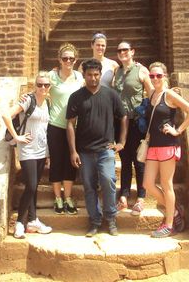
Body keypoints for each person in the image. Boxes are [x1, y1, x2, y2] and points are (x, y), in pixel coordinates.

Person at [66, 58, 127, 237]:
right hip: (84, 151)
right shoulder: (76, 96)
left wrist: (121, 142)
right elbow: (70, 124)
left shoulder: (111, 95)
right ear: (83, 76)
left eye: (96, 75)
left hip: (105, 149)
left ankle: (111, 218)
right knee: (89, 186)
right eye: (89, 75)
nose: (93, 78)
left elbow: (123, 116)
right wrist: (73, 151)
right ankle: (94, 221)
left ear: (100, 75)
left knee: (108, 182)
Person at [142, 62, 189, 238]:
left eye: (158, 75)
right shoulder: (152, 94)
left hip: (168, 145)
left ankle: (168, 225)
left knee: (166, 185)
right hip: (153, 145)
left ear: (164, 76)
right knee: (148, 184)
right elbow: (141, 74)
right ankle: (173, 211)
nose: (155, 79)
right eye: (152, 76)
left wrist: (178, 130)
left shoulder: (170, 95)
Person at [1, 72, 53, 238]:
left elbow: (44, 129)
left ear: (49, 87)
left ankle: (33, 220)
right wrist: (16, 137)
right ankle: (19, 223)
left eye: (46, 85)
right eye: (39, 84)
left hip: (41, 150)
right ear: (34, 85)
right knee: (30, 185)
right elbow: (6, 115)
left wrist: (49, 153)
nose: (42, 88)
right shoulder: (28, 100)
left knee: (34, 187)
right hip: (27, 150)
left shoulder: (47, 103)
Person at [113, 41, 153, 214]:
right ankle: (124, 195)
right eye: (120, 50)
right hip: (120, 122)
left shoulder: (141, 70)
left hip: (136, 121)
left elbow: (151, 93)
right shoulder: (117, 71)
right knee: (125, 159)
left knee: (139, 160)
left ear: (132, 52)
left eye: (126, 50)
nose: (123, 52)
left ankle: (141, 198)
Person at [47, 42, 83, 215]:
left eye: (71, 58)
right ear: (59, 60)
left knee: (70, 162)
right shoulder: (51, 76)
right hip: (55, 125)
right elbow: (39, 90)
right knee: (56, 161)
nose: (68, 61)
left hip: (74, 126)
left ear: (75, 60)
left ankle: (68, 197)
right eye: (65, 58)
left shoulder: (79, 78)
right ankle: (57, 198)